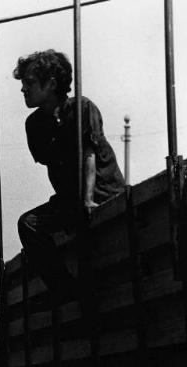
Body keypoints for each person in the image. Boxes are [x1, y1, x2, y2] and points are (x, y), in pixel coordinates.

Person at [13, 49, 125, 305]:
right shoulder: (35, 124)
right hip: (72, 200)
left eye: (29, 83)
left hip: (103, 193)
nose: (23, 90)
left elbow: (89, 155)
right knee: (28, 224)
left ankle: (85, 298)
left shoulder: (82, 108)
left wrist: (86, 201)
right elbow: (54, 165)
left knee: (87, 237)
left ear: (51, 83)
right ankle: (65, 293)